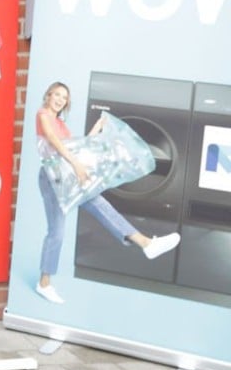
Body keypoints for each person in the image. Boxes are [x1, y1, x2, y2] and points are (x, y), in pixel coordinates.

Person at [34, 81, 178, 305]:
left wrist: (98, 128)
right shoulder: (43, 115)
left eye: (65, 97)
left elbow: (80, 146)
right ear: (49, 95)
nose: (61, 100)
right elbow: (54, 143)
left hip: (69, 175)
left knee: (102, 206)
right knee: (57, 233)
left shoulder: (62, 124)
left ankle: (146, 243)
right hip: (52, 178)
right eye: (58, 95)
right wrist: (77, 166)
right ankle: (44, 284)